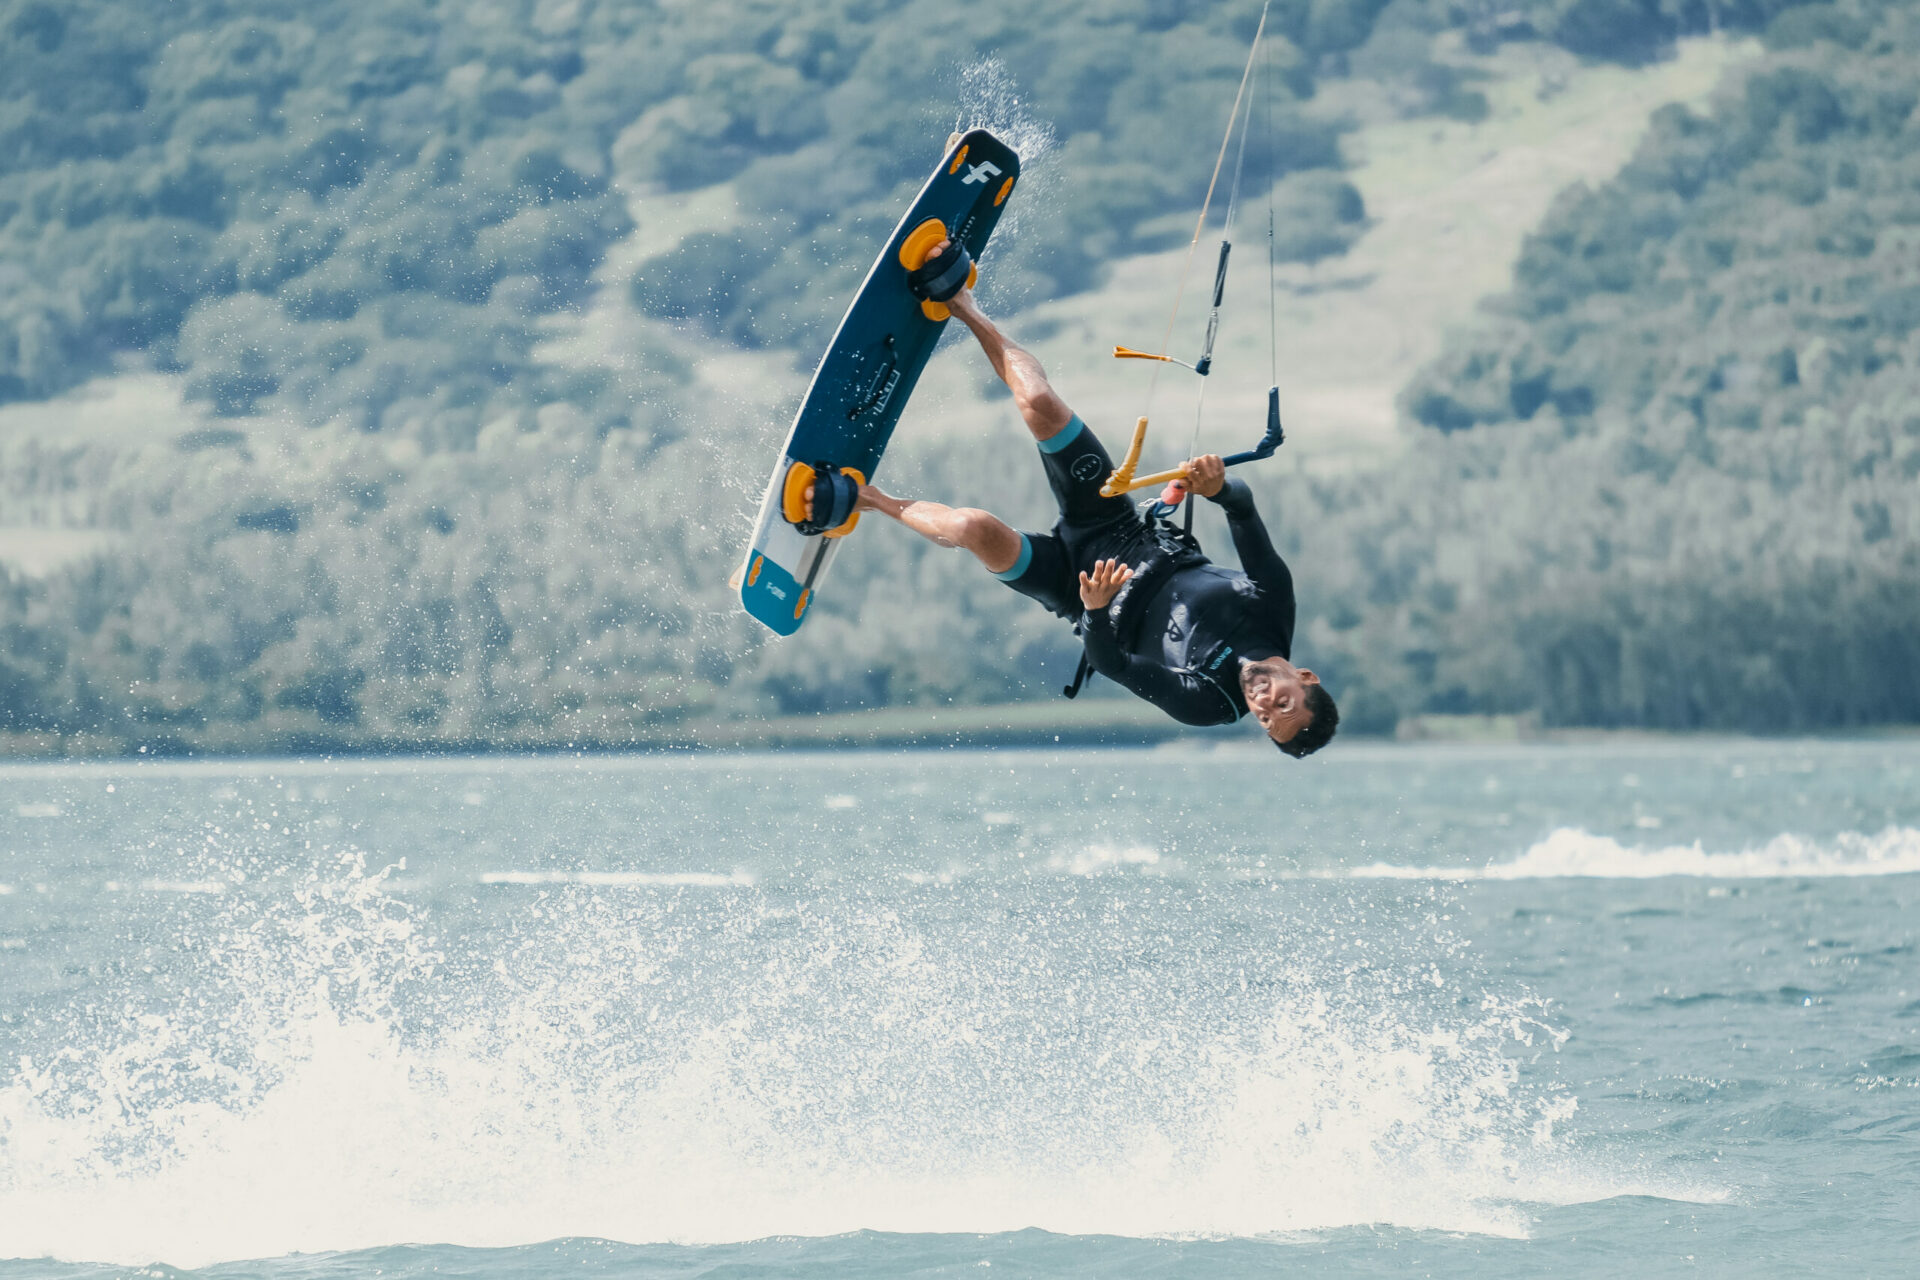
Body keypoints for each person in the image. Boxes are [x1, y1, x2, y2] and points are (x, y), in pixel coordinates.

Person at [806, 249, 1338, 756]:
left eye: (1267, 720)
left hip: (1075, 588)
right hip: (1117, 526)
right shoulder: (1271, 608)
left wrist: (1096, 607)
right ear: (1304, 675)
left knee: (973, 528)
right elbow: (1243, 510)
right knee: (1039, 404)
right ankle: (961, 301)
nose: (1264, 704)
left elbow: (1112, 665)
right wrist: (1216, 486)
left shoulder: (1209, 706)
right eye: (1283, 702)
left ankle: (864, 497)